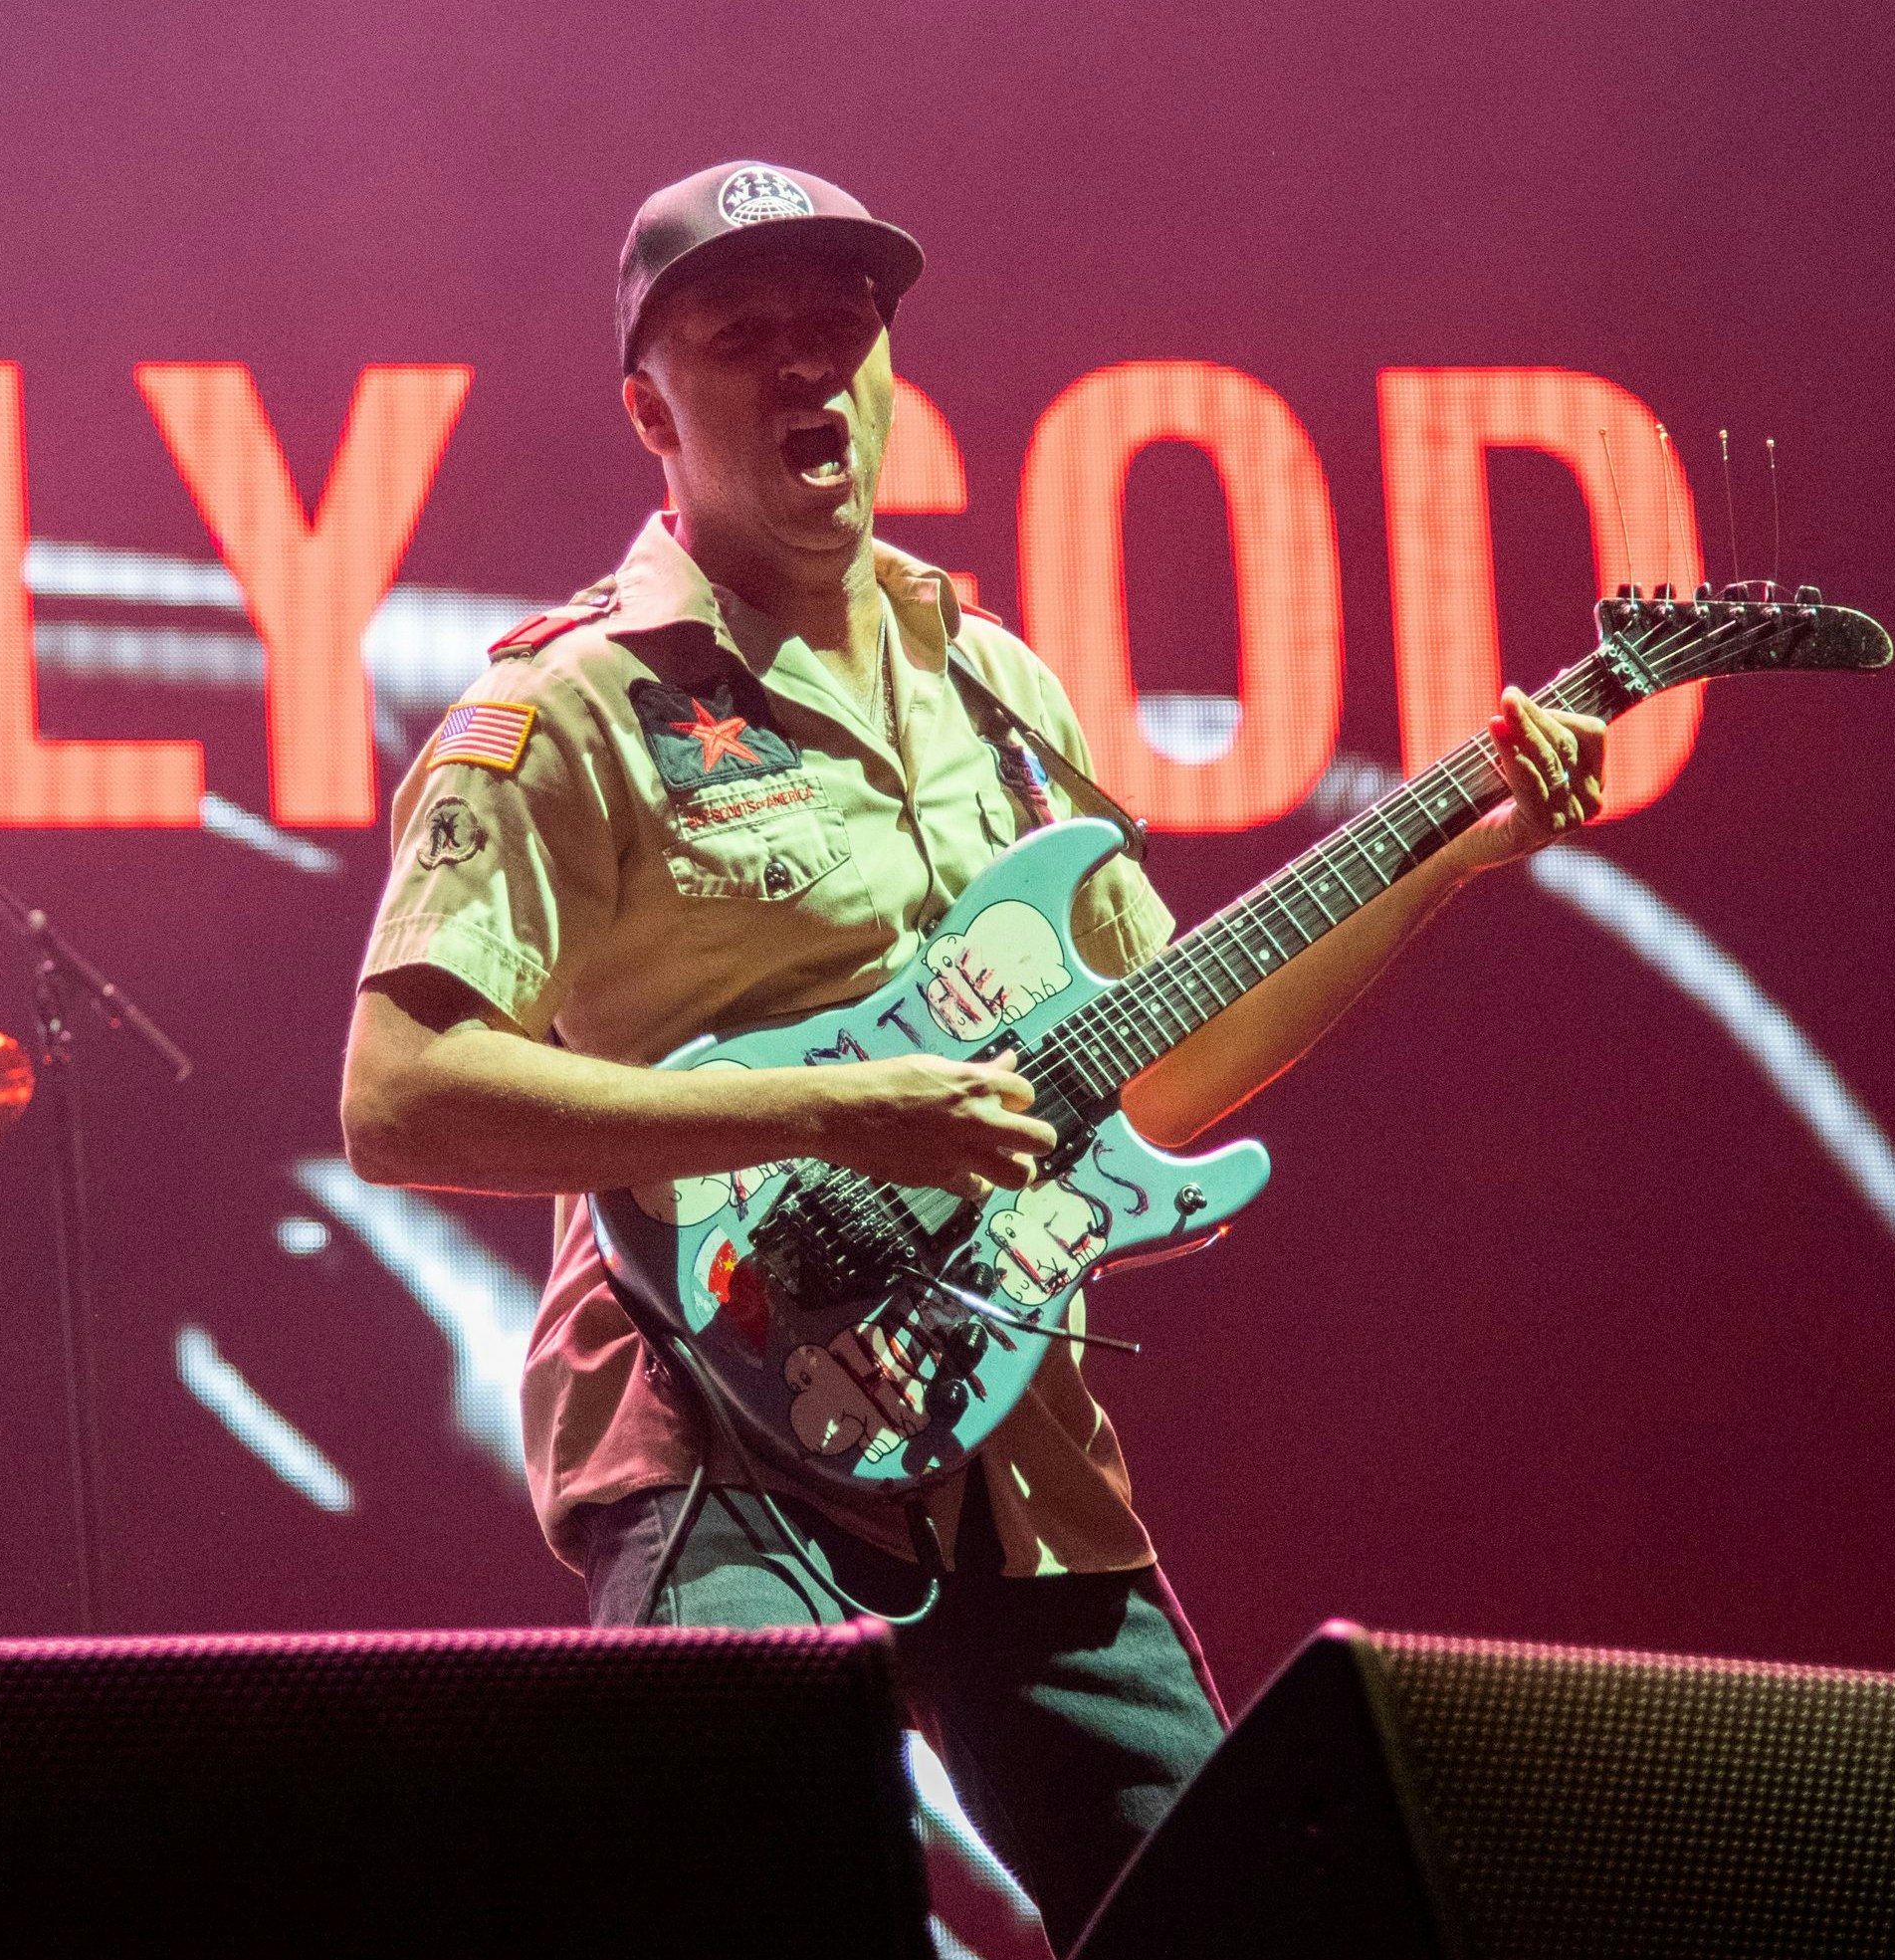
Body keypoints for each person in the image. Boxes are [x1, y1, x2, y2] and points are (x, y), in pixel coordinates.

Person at [336, 161, 1608, 1947]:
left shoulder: (1003, 683)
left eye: (840, 327)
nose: (805, 369)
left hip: (1015, 1443)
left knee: (1246, 1915)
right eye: (743, 333)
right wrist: (834, 1106)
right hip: (722, 1425)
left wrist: (1446, 860)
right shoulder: (565, 710)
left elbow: (1157, 1069)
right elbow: (400, 1094)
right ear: (648, 405)